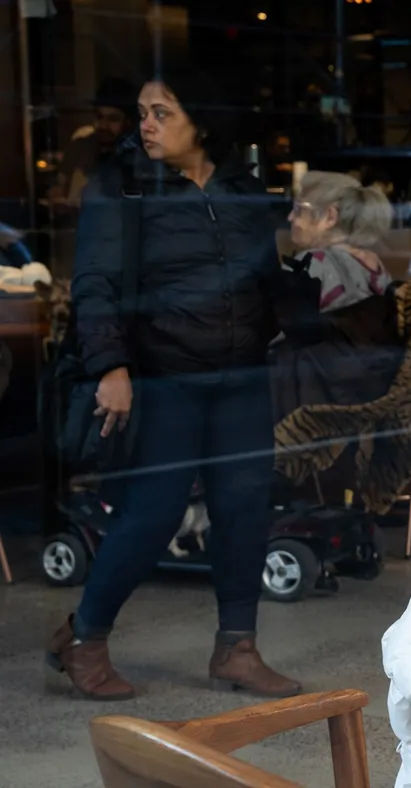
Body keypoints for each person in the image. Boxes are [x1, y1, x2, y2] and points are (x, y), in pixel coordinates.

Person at [47, 65, 299, 701]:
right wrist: (110, 366)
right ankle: (85, 639)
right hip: (165, 378)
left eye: (163, 112)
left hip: (240, 376)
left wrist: (300, 313)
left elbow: (262, 274)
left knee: (243, 512)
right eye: (142, 112)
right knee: (152, 514)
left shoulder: (240, 185)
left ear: (202, 122)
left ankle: (237, 650)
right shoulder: (123, 186)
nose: (147, 125)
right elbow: (95, 282)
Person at [270, 171, 399, 421]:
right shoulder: (374, 264)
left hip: (314, 404)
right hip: (366, 394)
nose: (290, 217)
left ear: (330, 216)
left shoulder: (314, 264)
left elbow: (270, 330)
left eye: (299, 210)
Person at [49, 78, 137, 217]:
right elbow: (58, 186)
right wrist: (57, 197)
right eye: (99, 117)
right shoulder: (81, 145)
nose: (103, 125)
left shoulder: (137, 155)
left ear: (129, 122)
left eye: (113, 119)